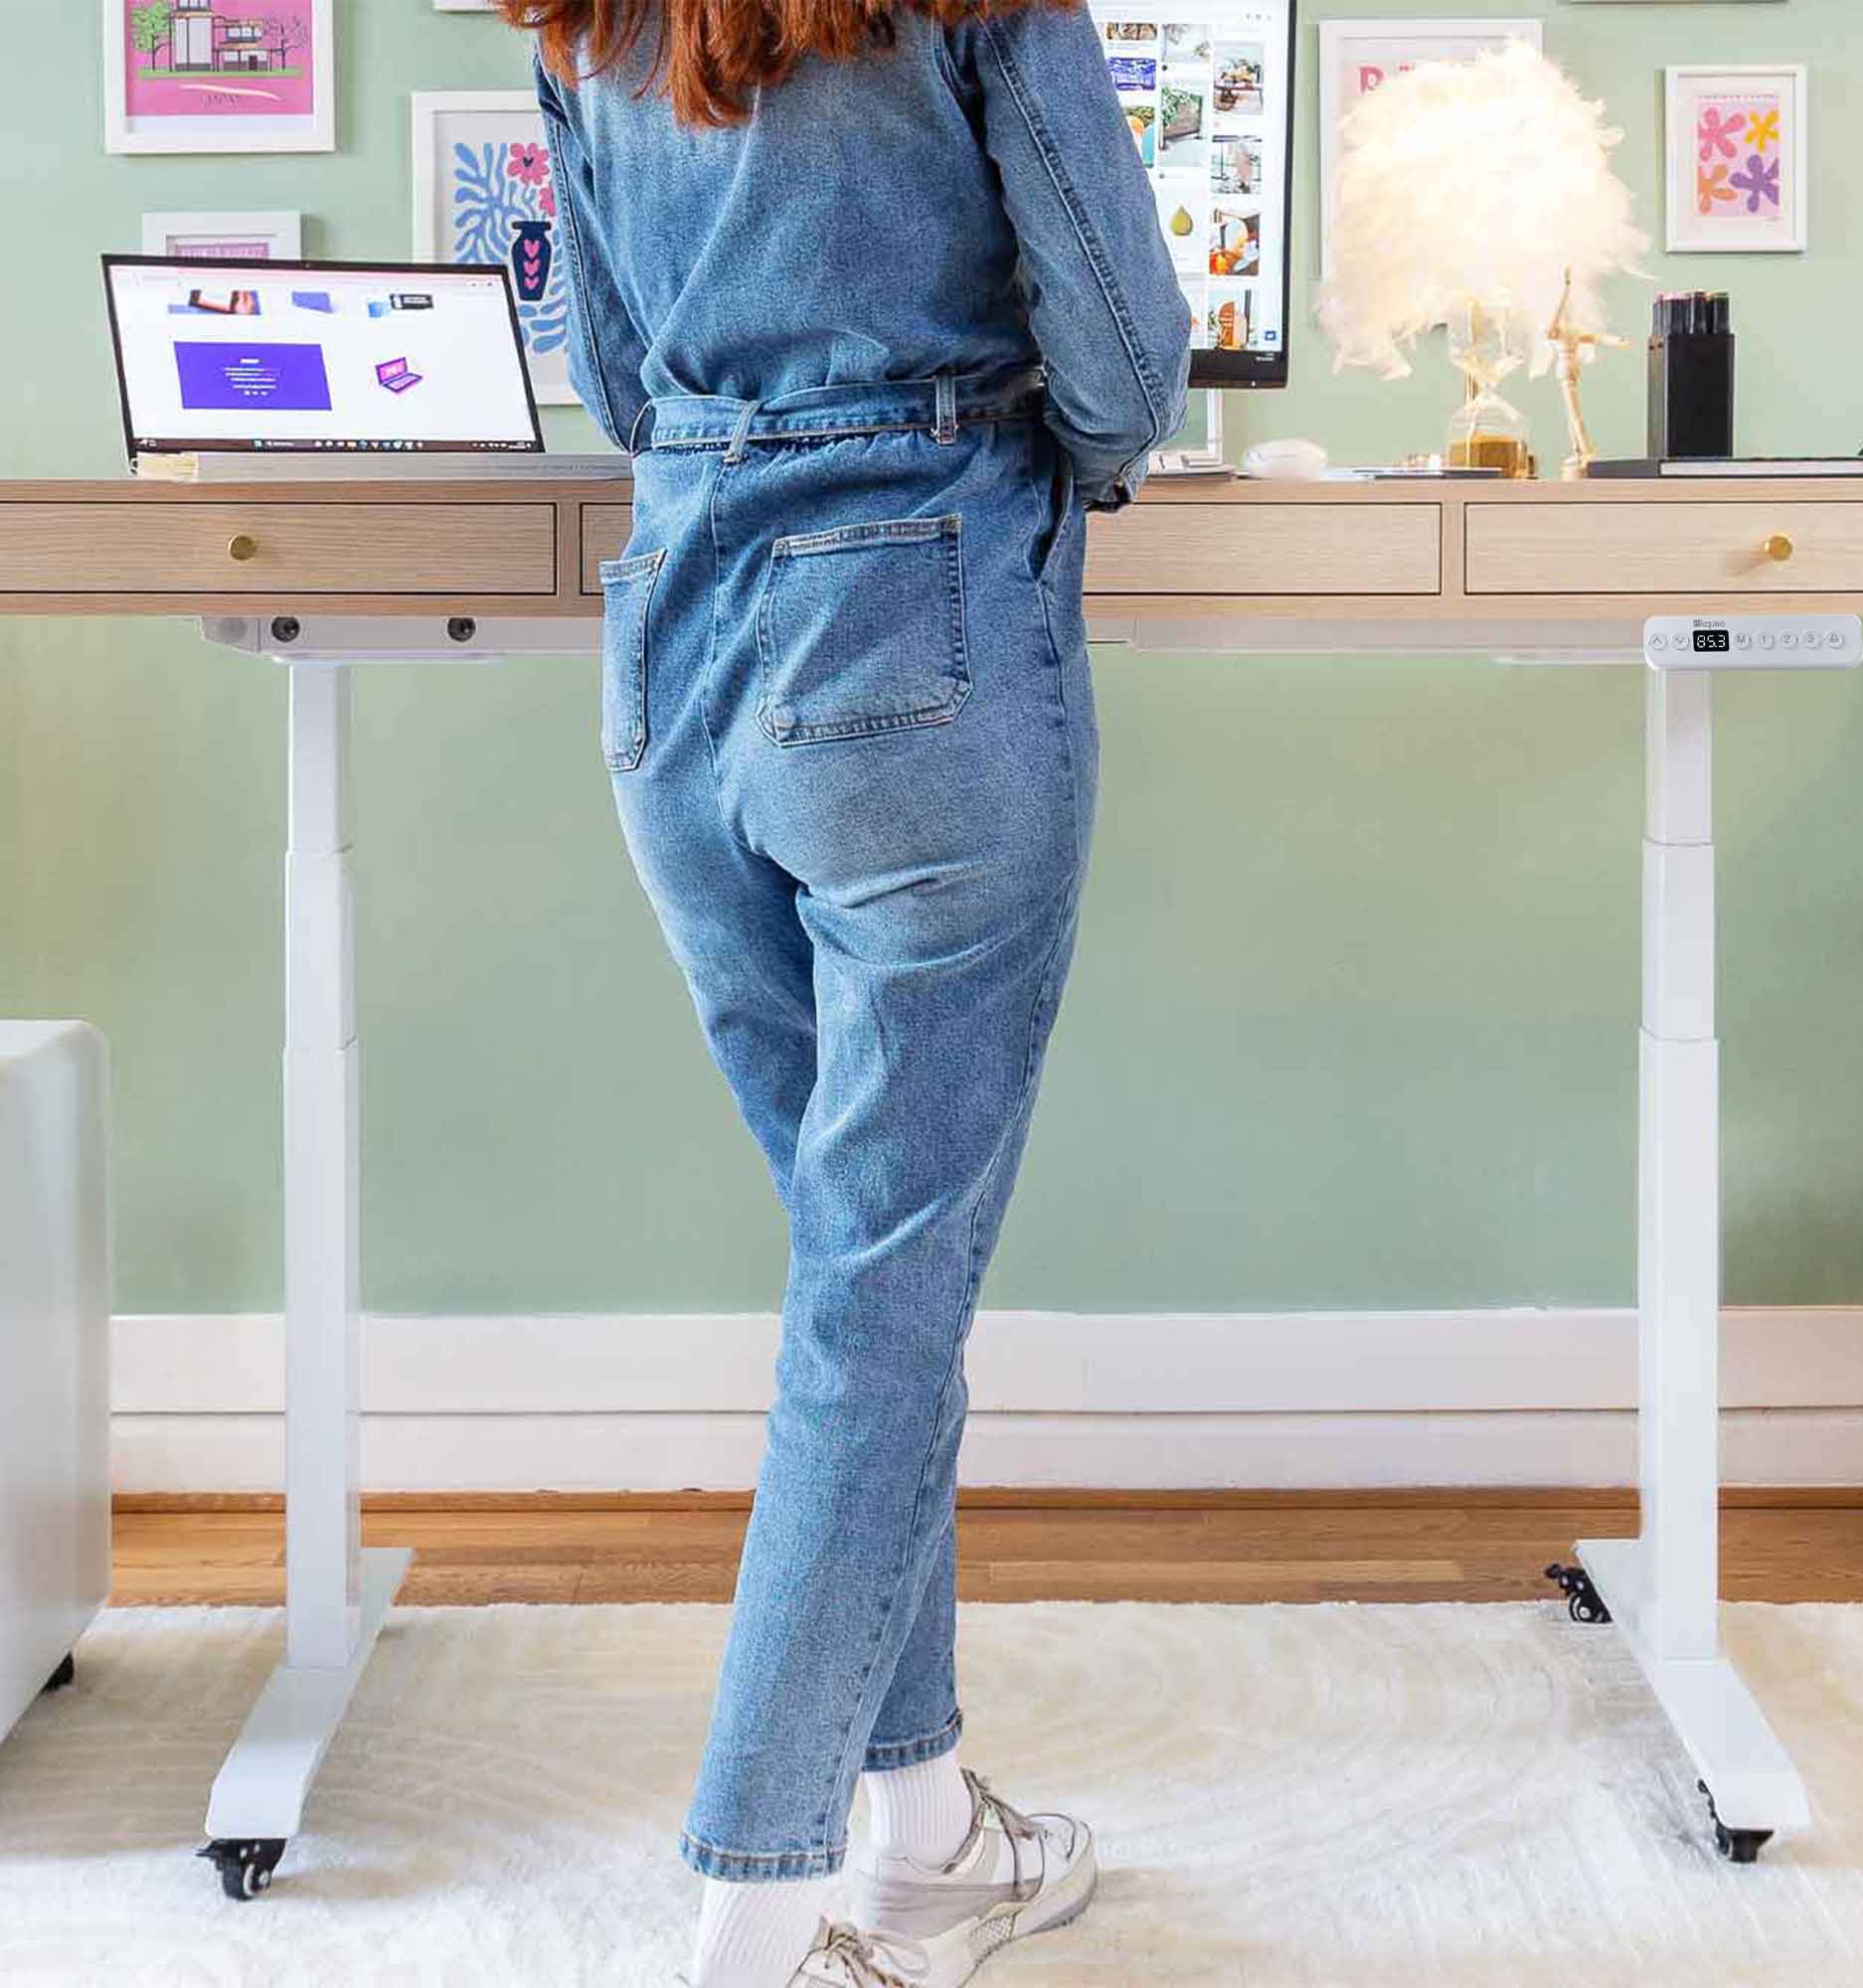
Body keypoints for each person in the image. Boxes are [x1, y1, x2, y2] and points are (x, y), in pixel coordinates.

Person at [502, 1, 1191, 1981]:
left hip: (679, 652)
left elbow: (620, 373)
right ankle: (753, 1911)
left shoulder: (584, 19)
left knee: (859, 1288)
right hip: (913, 625)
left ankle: (928, 1825)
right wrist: (1001, 443)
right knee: (880, 1308)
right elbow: (1126, 362)